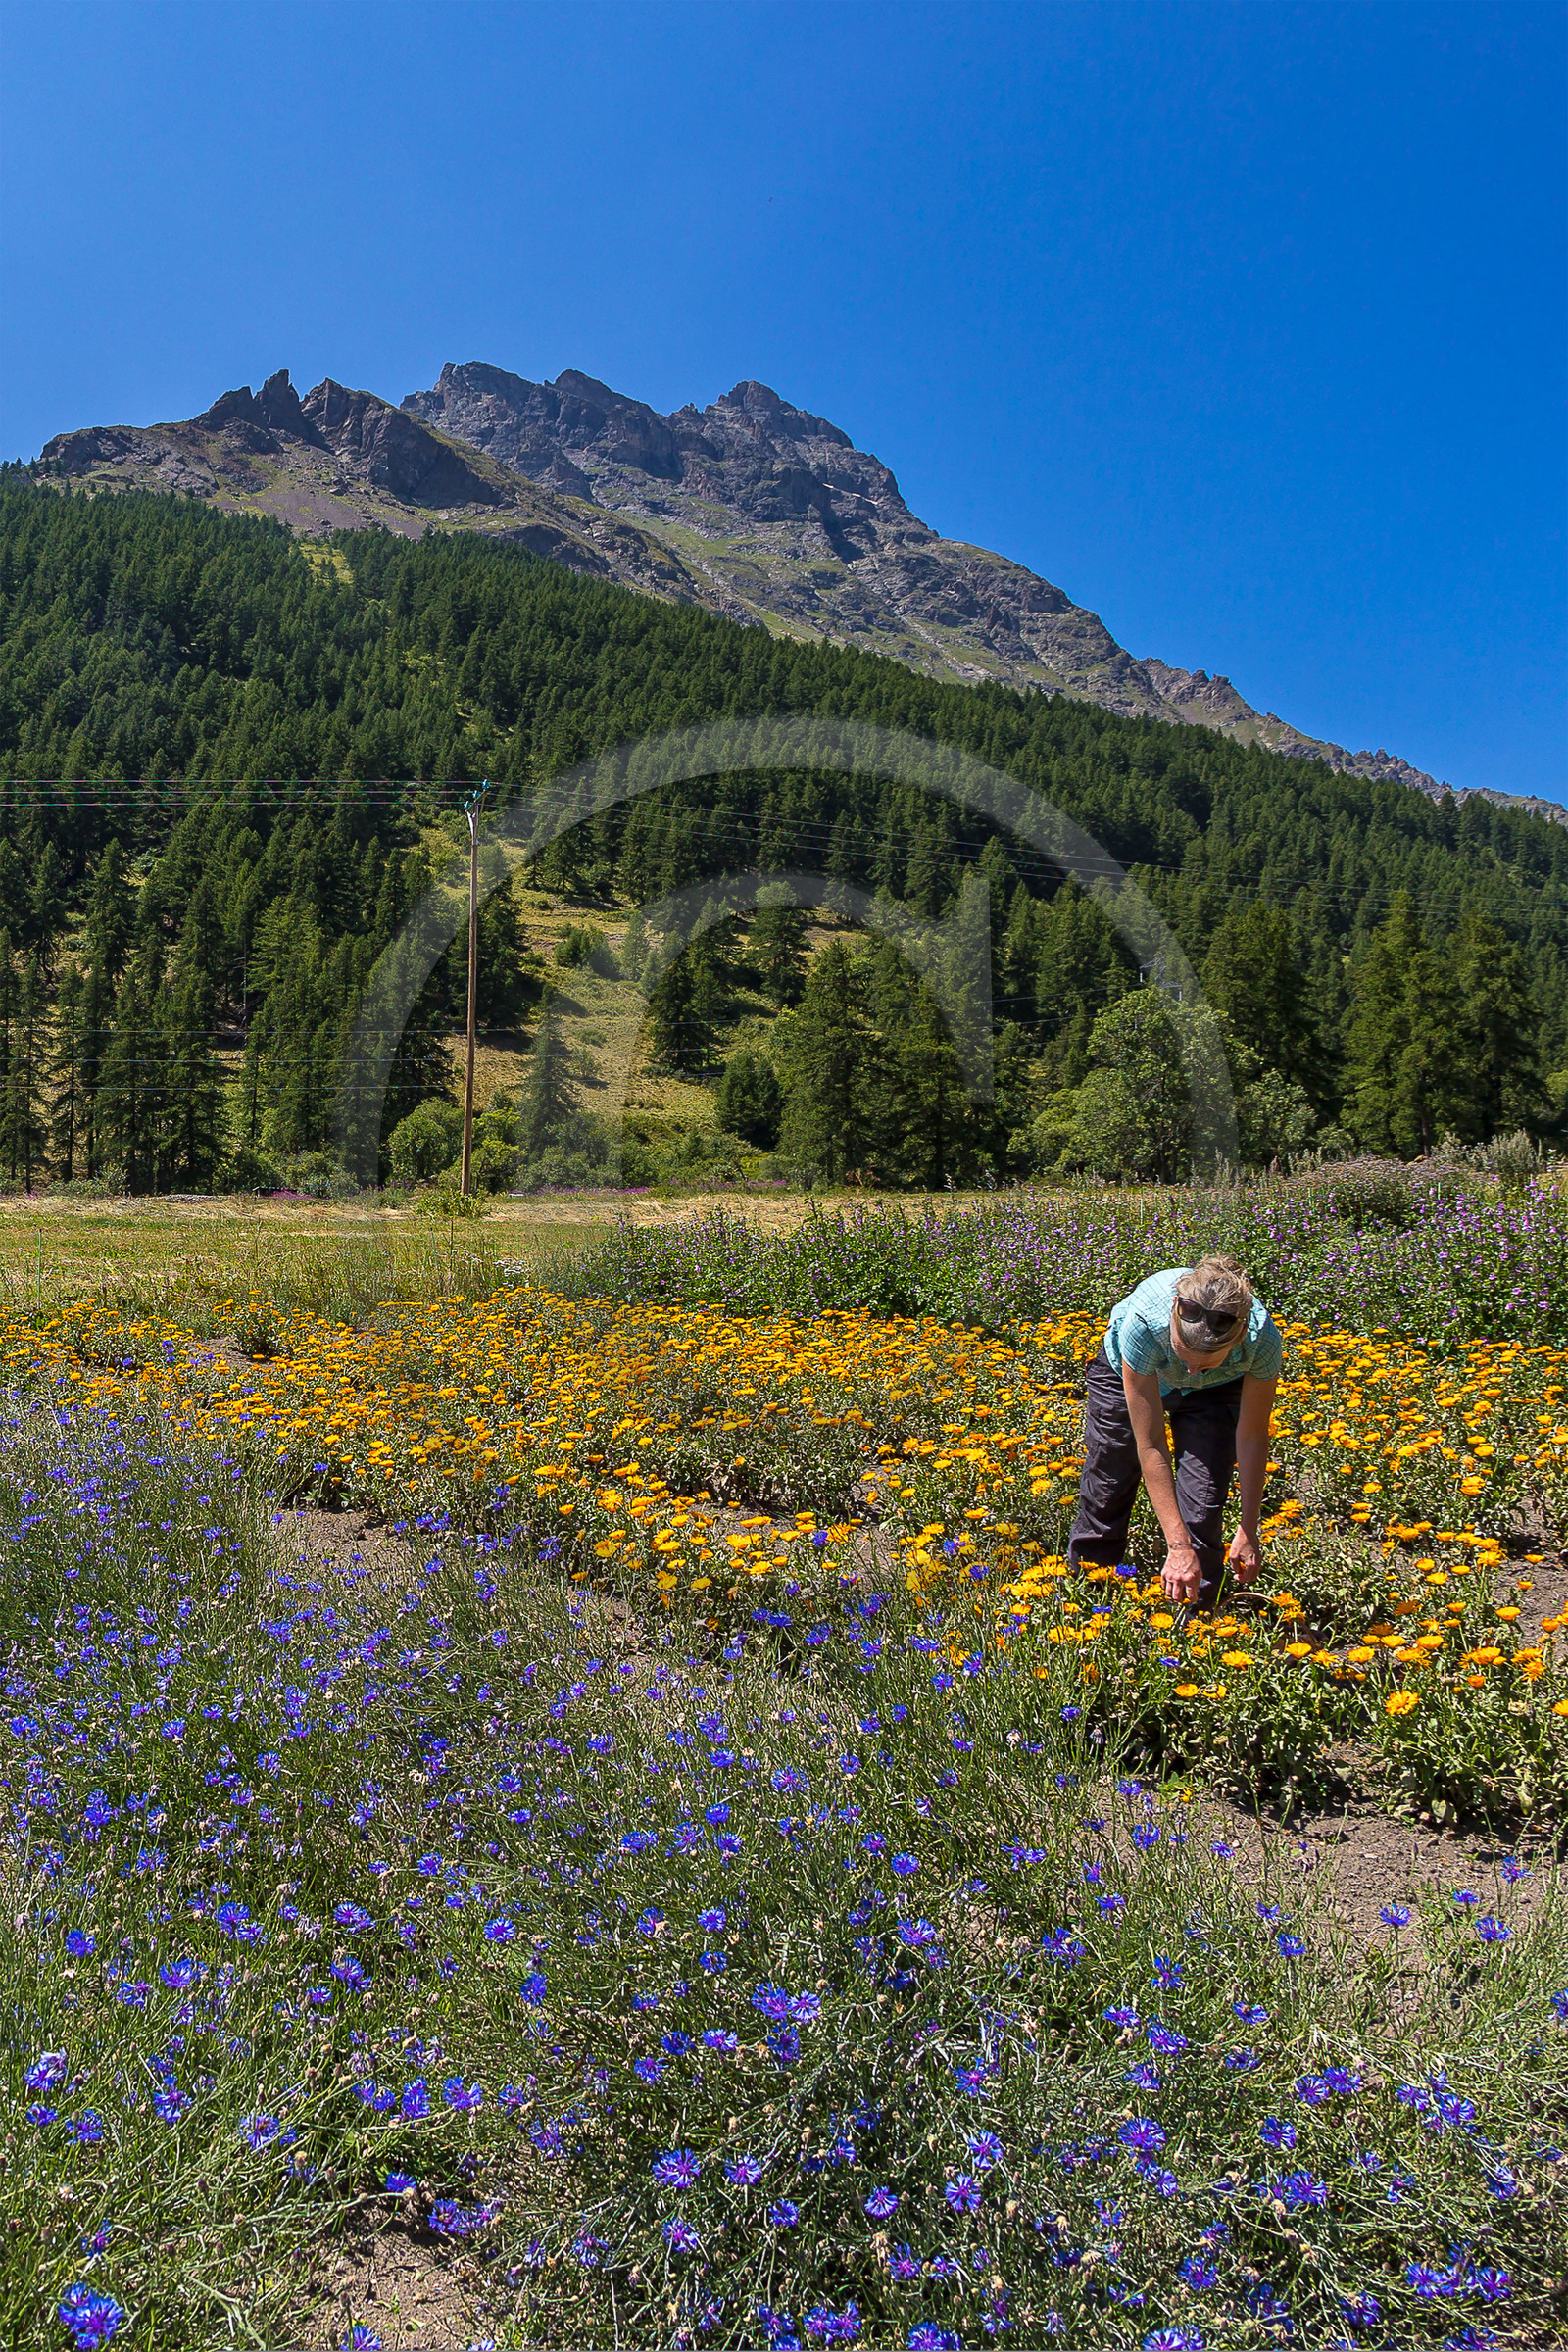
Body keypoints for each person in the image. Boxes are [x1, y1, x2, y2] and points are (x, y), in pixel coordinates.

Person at [1067, 1255, 1282, 1605]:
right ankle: (1091, 1597)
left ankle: (1196, 1616)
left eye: (1206, 1363)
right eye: (1184, 1356)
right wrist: (1177, 1545)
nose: (1192, 1370)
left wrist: (1249, 1528)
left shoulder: (1263, 1341)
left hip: (1218, 1391)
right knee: (1112, 1473)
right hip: (1128, 1373)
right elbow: (1151, 1445)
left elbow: (1253, 1436)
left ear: (1239, 1336)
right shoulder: (1144, 1324)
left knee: (1204, 1495)